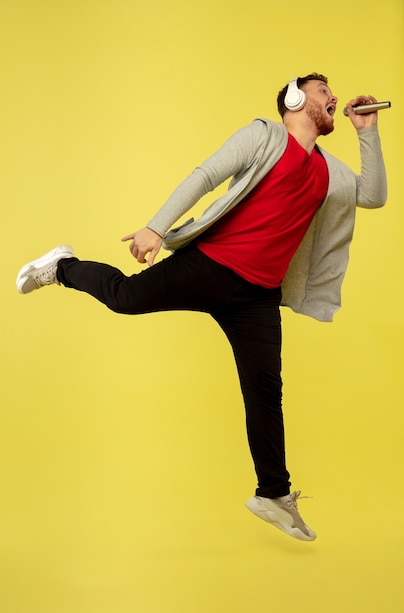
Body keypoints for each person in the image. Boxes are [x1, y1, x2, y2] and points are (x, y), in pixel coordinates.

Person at [16, 73, 387, 542]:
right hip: (212, 265)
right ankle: (63, 265)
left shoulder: (328, 172)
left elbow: (371, 196)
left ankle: (273, 493)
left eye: (331, 92)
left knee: (265, 393)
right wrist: (156, 227)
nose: (333, 97)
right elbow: (207, 174)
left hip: (258, 297)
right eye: (322, 91)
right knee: (125, 298)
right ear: (295, 99)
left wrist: (367, 133)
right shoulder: (265, 136)